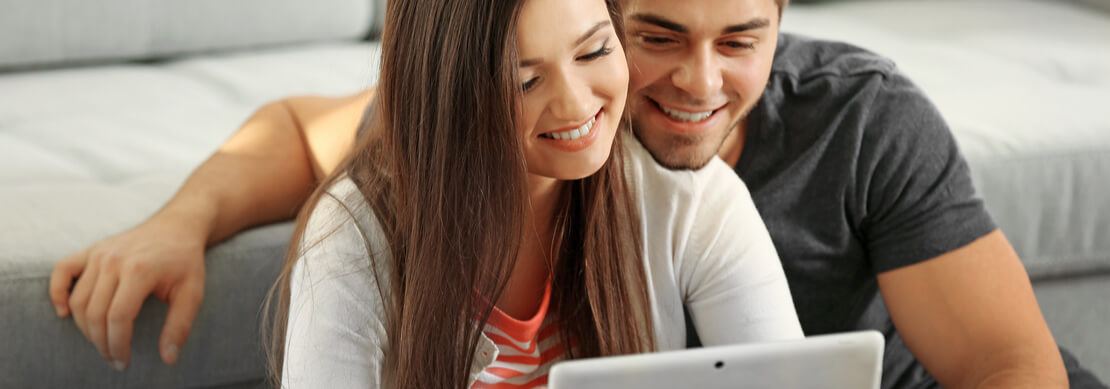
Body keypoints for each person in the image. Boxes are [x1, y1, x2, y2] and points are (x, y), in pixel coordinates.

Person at [50, 0, 1107, 387]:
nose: (698, 84)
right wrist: (178, 219)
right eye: (653, 38)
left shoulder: (852, 120)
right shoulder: (447, 153)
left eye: (741, 40)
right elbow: (298, 130)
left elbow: (1011, 364)